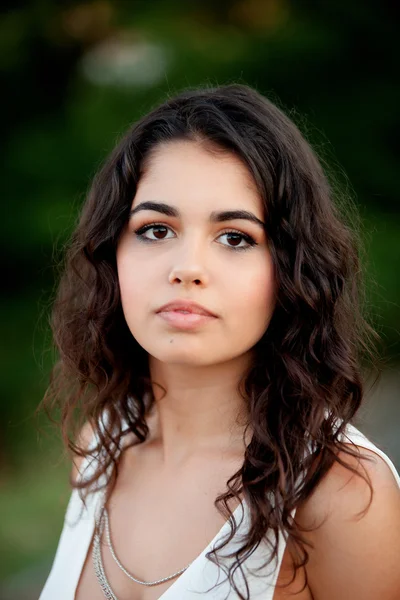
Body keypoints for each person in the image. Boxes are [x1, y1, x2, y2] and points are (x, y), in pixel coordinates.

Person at [39, 84, 400, 600]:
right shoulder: (101, 446)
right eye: (156, 230)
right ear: (111, 251)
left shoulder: (339, 493)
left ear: (292, 269)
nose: (187, 269)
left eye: (235, 237)